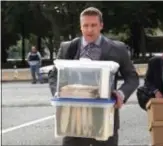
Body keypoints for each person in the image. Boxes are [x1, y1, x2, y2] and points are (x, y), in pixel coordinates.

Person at [48, 7, 139, 146]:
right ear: (81, 26)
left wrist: (120, 94)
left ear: (101, 25)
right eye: (86, 25)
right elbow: (54, 75)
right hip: (73, 117)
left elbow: (132, 78)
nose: (89, 30)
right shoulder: (68, 48)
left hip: (105, 117)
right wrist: (58, 91)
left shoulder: (118, 48)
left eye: (93, 25)